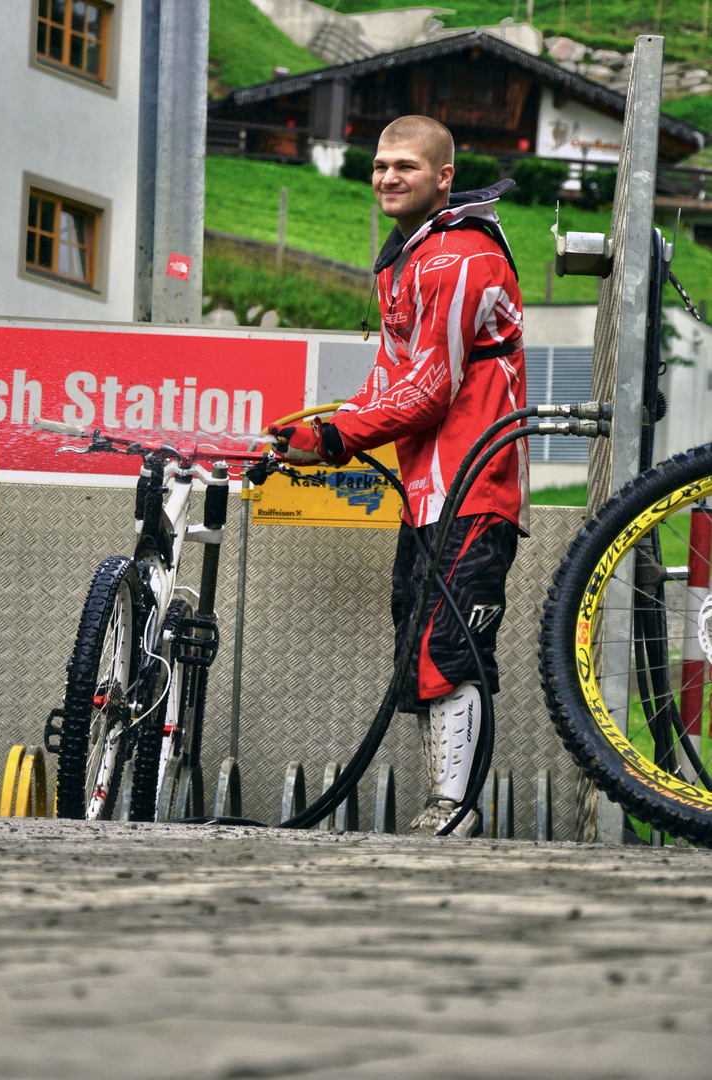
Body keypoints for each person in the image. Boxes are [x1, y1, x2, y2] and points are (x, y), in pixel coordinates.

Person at [272, 115, 528, 837]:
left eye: (405, 166)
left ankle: (453, 809)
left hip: (476, 483)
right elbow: (389, 381)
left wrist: (333, 438)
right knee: (420, 650)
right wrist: (316, 433)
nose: (386, 176)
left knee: (450, 649)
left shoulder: (456, 257)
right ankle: (444, 807)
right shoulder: (406, 258)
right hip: (428, 491)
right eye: (380, 164)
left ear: (444, 176)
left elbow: (430, 389)